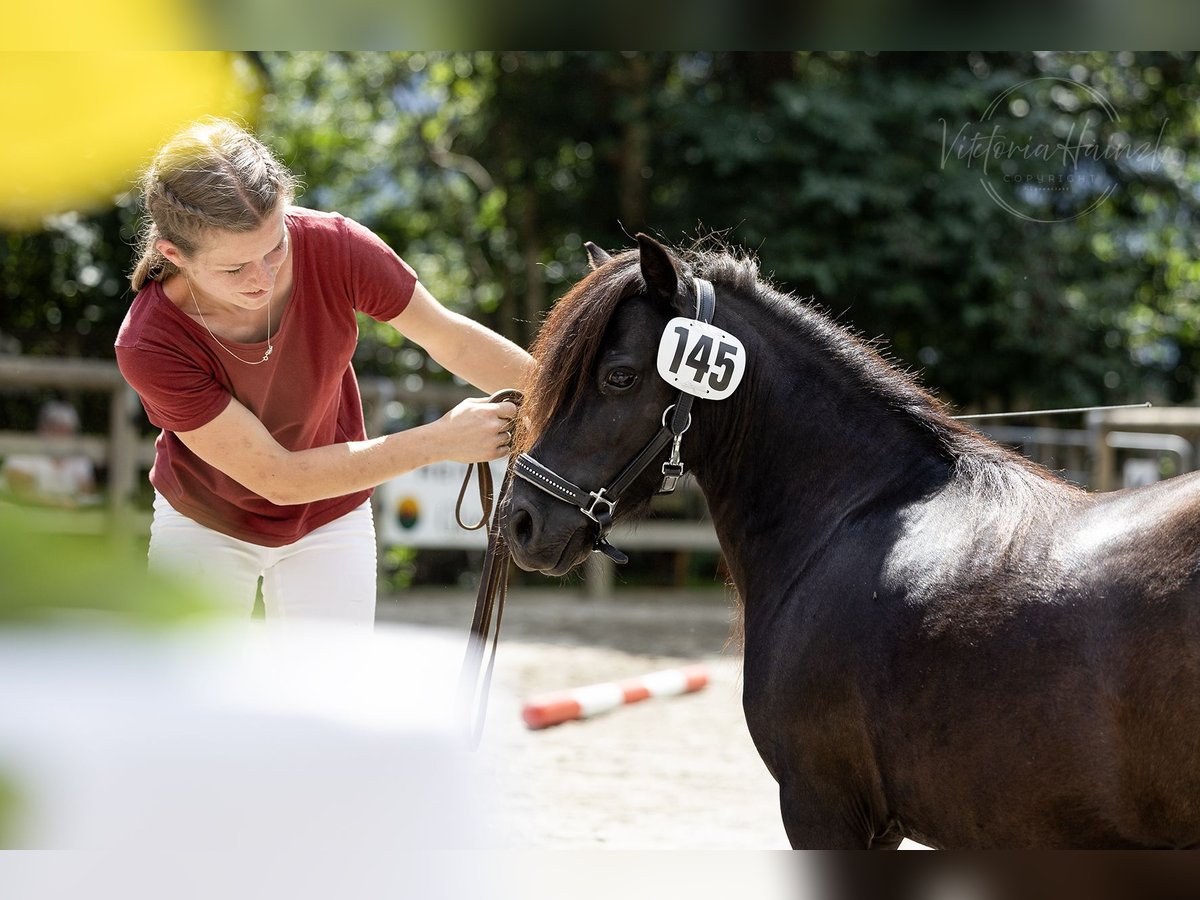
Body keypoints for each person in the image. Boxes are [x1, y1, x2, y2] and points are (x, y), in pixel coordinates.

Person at [116, 117, 532, 624]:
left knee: (333, 695)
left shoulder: (336, 245)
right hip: (205, 518)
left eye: (275, 248)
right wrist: (441, 440)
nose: (263, 278)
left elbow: (449, 337)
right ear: (172, 254)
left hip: (332, 513)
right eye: (235, 268)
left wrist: (566, 400)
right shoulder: (149, 342)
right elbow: (278, 478)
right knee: (188, 699)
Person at [0, 400, 98, 508]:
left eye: (67, 429)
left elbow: (86, 493)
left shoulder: (79, 459)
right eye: (56, 428)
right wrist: (57, 504)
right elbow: (20, 492)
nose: (62, 434)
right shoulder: (22, 453)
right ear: (43, 428)